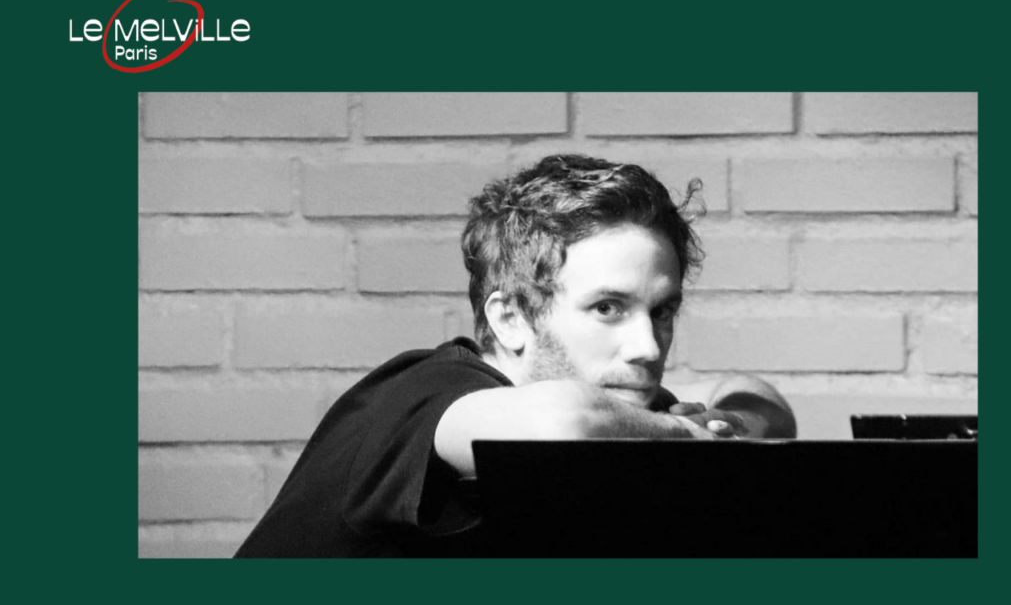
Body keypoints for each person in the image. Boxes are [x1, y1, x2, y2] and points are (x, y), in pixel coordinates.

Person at [234, 154, 796, 558]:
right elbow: (558, 423)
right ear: (510, 318)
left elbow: (768, 410)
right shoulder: (423, 394)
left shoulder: (622, 415)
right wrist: (688, 435)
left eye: (662, 310)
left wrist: (727, 423)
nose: (647, 347)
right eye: (607, 308)